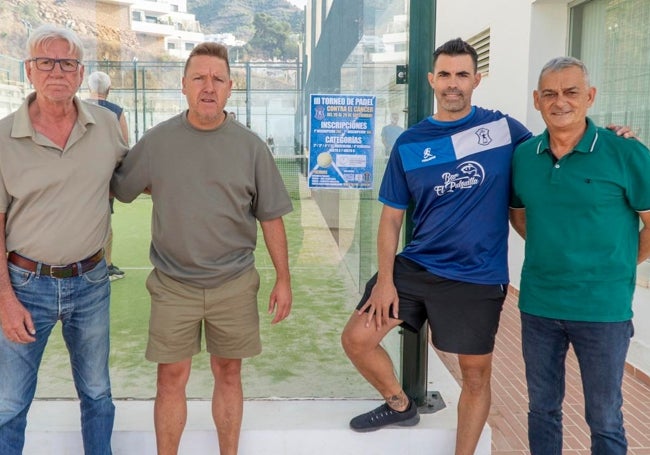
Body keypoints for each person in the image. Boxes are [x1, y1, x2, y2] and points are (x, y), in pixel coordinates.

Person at [340, 37, 532, 455]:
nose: (453, 83)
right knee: (356, 338)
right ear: (431, 79)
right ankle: (400, 403)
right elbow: (391, 219)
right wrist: (386, 281)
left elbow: (557, 150)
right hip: (417, 267)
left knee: (475, 375)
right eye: (444, 74)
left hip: (476, 276)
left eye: (462, 74)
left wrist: (607, 137)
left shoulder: (504, 131)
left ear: (476, 80)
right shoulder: (410, 143)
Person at [110, 42, 293, 455]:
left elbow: (271, 217)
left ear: (231, 87)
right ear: (183, 86)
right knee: (170, 378)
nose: (208, 87)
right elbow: (121, 188)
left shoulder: (251, 147)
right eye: (199, 78)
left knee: (229, 373)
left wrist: (284, 279)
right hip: (174, 285)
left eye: (217, 79)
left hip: (234, 282)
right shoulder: (157, 142)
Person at [509, 56, 650, 455]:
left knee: (605, 418)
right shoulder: (524, 156)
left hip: (603, 310)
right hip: (538, 305)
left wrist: (618, 265)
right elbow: (519, 216)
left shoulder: (626, 153)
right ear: (537, 100)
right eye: (550, 94)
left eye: (571, 92)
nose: (561, 102)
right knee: (542, 409)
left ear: (589, 96)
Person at [0, 24, 128, 454]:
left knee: (97, 394)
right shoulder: (2, 138)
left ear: (80, 72)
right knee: (9, 403)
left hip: (90, 283)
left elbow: (135, 177)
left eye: (67, 62)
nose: (57, 71)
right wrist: (5, 299)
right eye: (45, 61)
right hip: (24, 286)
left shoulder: (107, 126)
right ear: (29, 71)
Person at [87, 70, 130, 281]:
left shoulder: (75, 107)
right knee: (104, 221)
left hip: (79, 177)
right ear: (109, 90)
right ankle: (107, 266)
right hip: (105, 177)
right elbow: (124, 146)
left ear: (88, 88)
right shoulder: (116, 111)